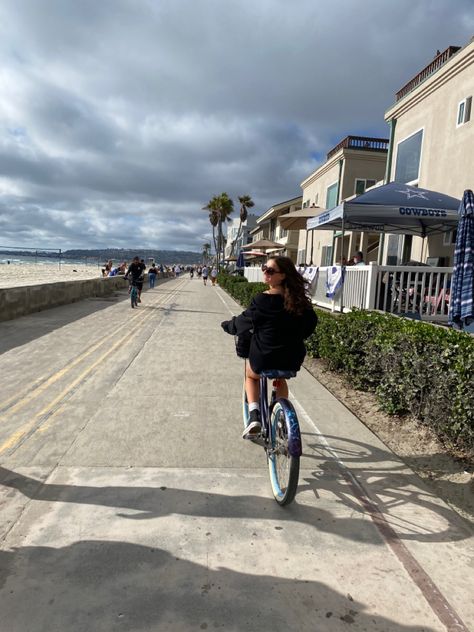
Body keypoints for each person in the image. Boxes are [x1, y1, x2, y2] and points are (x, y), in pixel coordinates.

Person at [221, 256, 317, 439]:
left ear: (282, 276)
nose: (265, 272)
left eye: (270, 270)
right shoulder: (300, 301)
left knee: (251, 374)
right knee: (280, 378)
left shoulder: (262, 300)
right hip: (292, 358)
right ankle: (281, 419)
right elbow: (311, 324)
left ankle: (254, 415)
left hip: (264, 358)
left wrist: (227, 325)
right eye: (265, 268)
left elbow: (241, 323)